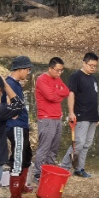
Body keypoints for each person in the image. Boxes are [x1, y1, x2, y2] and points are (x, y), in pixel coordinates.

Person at [30, 57, 69, 186]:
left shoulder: (57, 78)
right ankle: (37, 173)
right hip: (46, 118)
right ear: (50, 68)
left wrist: (57, 93)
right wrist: (58, 94)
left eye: (61, 71)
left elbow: (66, 91)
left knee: (54, 147)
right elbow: (51, 97)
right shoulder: (42, 79)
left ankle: (49, 170)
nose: (59, 73)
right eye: (57, 70)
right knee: (44, 147)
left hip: (57, 117)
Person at [60, 52, 99, 177]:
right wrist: (71, 113)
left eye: (95, 66)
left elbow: (95, 98)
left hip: (93, 116)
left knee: (87, 144)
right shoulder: (76, 76)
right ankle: (64, 167)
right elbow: (71, 94)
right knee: (78, 143)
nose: (93, 67)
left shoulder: (93, 79)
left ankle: (79, 168)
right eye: (90, 65)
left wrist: (97, 116)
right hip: (81, 115)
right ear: (84, 62)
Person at [3, 56, 34, 198]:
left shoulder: (15, 84)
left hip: (22, 125)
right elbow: (8, 104)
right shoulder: (9, 84)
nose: (28, 73)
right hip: (16, 126)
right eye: (28, 70)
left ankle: (21, 187)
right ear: (21, 69)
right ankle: (15, 197)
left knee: (27, 155)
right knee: (18, 159)